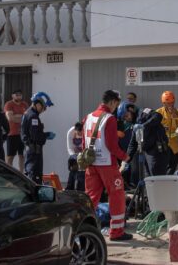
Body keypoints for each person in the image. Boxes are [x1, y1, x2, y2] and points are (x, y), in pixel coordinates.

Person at [83, 90, 133, 241]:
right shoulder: (110, 119)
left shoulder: (88, 117)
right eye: (116, 105)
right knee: (117, 194)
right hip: (107, 164)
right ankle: (116, 232)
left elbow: (84, 143)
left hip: (91, 164)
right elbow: (111, 145)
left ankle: (83, 227)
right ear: (112, 102)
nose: (116, 108)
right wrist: (125, 157)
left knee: (91, 197)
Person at [21, 92, 55, 184]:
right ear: (37, 104)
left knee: (31, 173)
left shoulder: (27, 113)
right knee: (34, 176)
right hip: (34, 151)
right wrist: (46, 135)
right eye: (43, 107)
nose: (44, 110)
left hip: (31, 150)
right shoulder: (33, 117)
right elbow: (35, 136)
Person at [127, 108, 170, 177]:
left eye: (127, 115)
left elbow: (158, 116)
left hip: (157, 151)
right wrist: (126, 161)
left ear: (131, 110)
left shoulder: (144, 112)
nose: (127, 118)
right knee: (148, 178)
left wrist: (144, 125)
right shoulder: (135, 125)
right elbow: (133, 144)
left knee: (156, 176)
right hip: (147, 152)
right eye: (125, 118)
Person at [157, 91, 178, 175]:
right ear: (163, 103)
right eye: (168, 103)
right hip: (162, 145)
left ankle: (168, 182)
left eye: (172, 103)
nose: (170, 105)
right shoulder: (158, 113)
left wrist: (175, 116)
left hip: (174, 146)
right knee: (162, 166)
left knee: (172, 166)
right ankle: (162, 183)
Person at [4, 90, 28, 172]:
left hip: (22, 134)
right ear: (12, 96)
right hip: (12, 134)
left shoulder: (24, 104)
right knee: (10, 156)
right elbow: (10, 118)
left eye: (20, 95)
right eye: (16, 95)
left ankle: (21, 174)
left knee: (22, 155)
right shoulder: (9, 104)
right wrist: (21, 117)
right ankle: (9, 174)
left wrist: (17, 116)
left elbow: (27, 118)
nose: (18, 96)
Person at [66, 122, 86, 191]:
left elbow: (86, 147)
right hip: (74, 155)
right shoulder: (70, 132)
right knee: (73, 170)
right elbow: (69, 148)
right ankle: (69, 188)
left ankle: (80, 189)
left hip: (83, 155)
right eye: (78, 133)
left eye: (81, 133)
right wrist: (74, 157)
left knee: (82, 173)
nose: (80, 135)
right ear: (75, 130)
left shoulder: (86, 132)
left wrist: (82, 156)